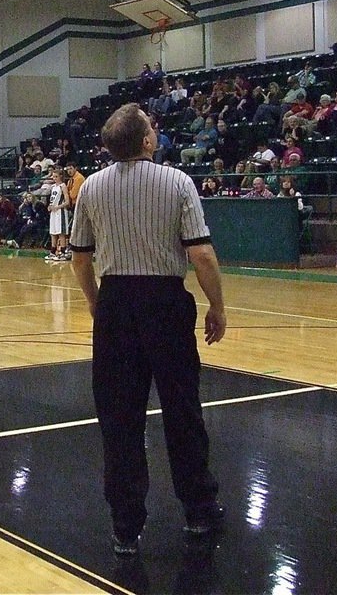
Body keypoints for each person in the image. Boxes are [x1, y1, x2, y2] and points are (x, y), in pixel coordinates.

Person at [68, 103, 227, 557]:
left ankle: (125, 527)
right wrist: (217, 305)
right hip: (165, 303)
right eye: (152, 127)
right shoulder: (178, 182)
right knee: (182, 410)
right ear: (146, 141)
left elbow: (80, 259)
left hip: (117, 302)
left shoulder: (91, 188)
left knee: (119, 419)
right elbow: (202, 255)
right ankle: (198, 509)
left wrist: (100, 306)